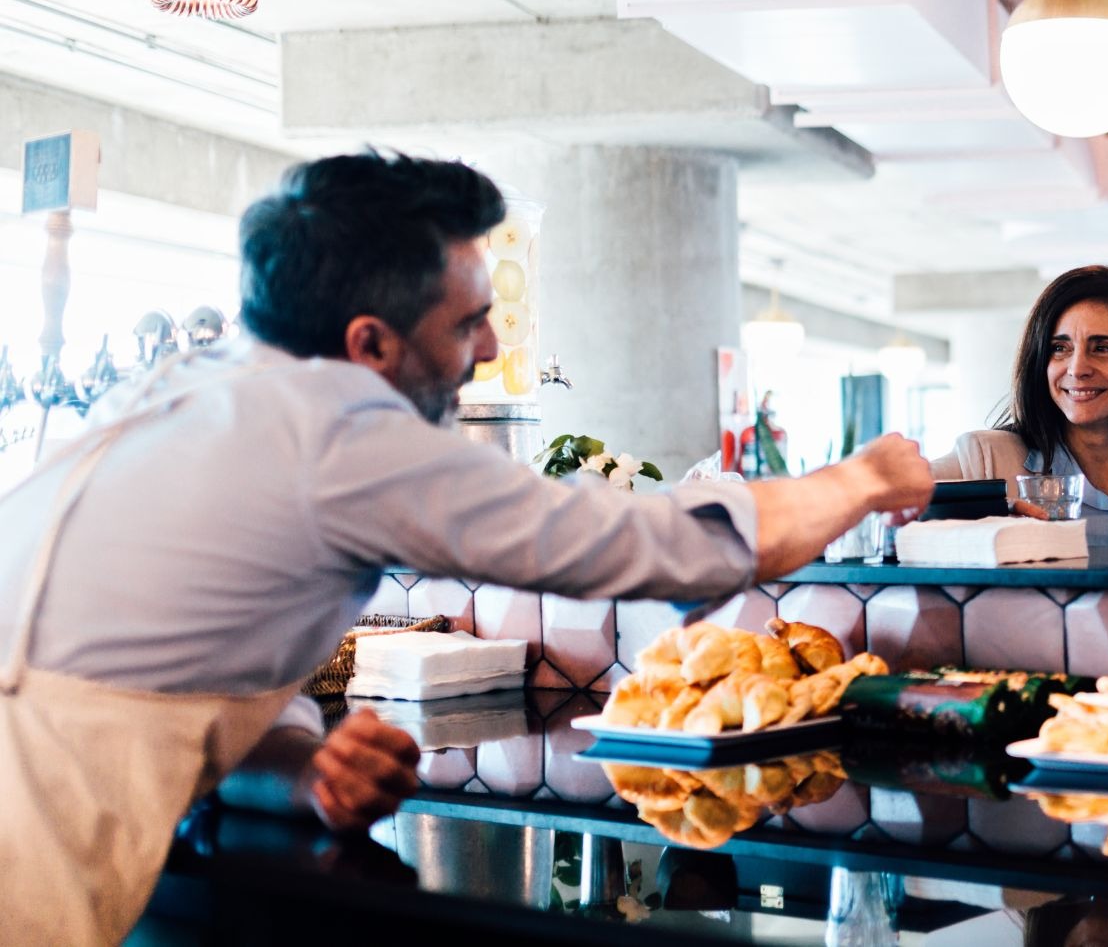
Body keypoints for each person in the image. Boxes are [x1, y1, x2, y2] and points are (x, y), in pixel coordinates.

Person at [0, 152, 934, 944]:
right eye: (465, 322)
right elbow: (631, 546)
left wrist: (297, 763)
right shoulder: (343, 429)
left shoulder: (196, 388)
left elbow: (183, 645)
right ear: (370, 343)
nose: (489, 346)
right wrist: (857, 482)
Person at [931, 266, 1108, 558]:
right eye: (1059, 348)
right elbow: (896, 503)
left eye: (1103, 348)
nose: (1077, 368)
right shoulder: (984, 459)